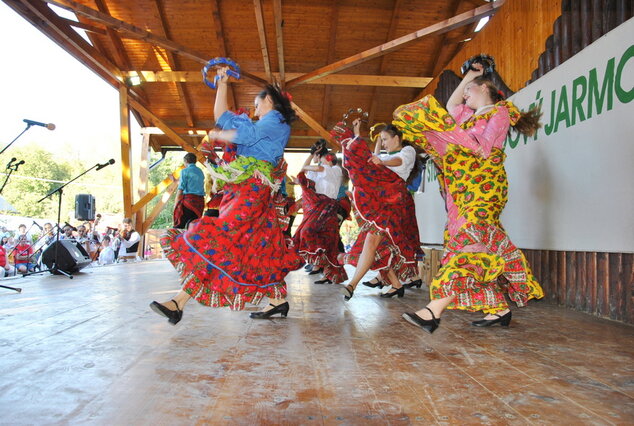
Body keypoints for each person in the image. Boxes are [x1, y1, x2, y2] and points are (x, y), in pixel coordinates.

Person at [393, 63, 544, 333]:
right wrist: (469, 76)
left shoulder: (499, 113)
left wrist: (450, 139)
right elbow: (450, 108)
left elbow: (483, 149)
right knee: (472, 242)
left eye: (470, 89)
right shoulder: (466, 115)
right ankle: (498, 309)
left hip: (484, 188)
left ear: (486, 88)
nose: (465, 94)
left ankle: (433, 310)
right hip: (462, 189)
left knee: (471, 244)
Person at [150, 66, 303, 324]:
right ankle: (278, 300)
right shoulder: (265, 124)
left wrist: (220, 135)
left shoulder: (276, 120)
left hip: (253, 189)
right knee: (261, 247)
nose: (254, 111)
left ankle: (179, 302)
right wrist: (222, 83)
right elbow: (222, 116)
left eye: (257, 105)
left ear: (268, 100)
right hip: (248, 188)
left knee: (222, 236)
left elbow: (246, 133)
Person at [334, 119, 423, 301]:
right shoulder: (383, 157)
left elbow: (397, 161)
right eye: (381, 140)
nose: (383, 143)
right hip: (381, 205)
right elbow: (370, 161)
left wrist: (381, 162)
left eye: (385, 139)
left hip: (395, 205)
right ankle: (396, 285)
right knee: (380, 248)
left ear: (397, 138)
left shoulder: (407, 151)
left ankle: (352, 284)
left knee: (372, 241)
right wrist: (358, 132)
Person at [293, 142, 346, 285]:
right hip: (317, 208)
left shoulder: (334, 169)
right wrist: (311, 155)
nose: (318, 159)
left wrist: (315, 158)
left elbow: (316, 167)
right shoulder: (315, 171)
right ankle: (326, 270)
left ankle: (323, 265)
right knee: (327, 240)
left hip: (328, 207)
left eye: (319, 156)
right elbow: (302, 173)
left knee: (310, 232)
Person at [173, 153, 205, 228]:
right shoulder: (200, 171)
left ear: (186, 161)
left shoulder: (184, 171)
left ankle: (175, 239)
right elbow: (193, 183)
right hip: (199, 203)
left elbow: (181, 188)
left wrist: (176, 203)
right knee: (193, 228)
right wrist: (176, 181)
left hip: (188, 202)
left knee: (178, 226)